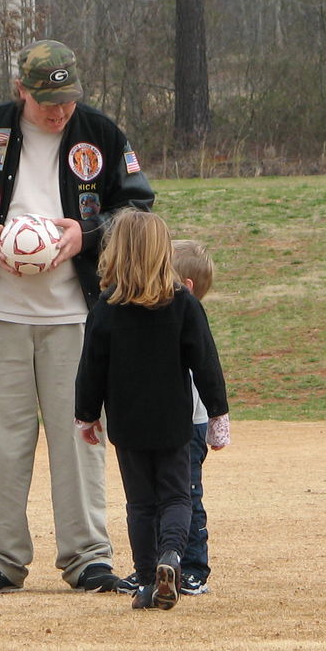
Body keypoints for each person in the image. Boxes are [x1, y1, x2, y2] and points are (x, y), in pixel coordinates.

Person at [0, 39, 155, 594]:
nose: (59, 111)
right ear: (20, 91)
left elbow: (139, 207)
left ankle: (88, 559)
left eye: (68, 99)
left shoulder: (102, 135)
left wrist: (87, 234)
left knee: (82, 437)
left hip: (79, 320)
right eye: (47, 100)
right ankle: (0, 560)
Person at [74, 210, 230, 610]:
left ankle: (146, 579)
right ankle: (172, 558)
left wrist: (86, 415)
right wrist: (217, 414)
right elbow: (206, 362)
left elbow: (90, 367)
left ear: (116, 253)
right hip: (173, 421)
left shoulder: (106, 308)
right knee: (176, 498)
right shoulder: (183, 305)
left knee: (140, 504)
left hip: (127, 424)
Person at [115, 238, 219, 597]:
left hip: (186, 426)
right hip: (158, 424)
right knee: (152, 497)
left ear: (185, 287)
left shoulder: (184, 320)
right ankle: (157, 565)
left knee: (185, 494)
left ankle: (191, 567)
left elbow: (205, 373)